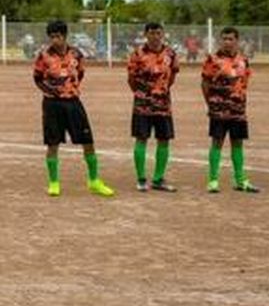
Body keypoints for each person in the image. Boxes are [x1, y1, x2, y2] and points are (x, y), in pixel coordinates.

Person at [34, 20, 113, 197]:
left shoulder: (76, 54)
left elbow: (81, 74)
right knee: (52, 143)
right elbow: (37, 78)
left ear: (65, 36)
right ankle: (54, 182)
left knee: (88, 142)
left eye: (58, 36)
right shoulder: (44, 55)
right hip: (52, 105)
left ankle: (94, 181)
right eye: (52, 37)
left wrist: (69, 90)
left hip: (73, 102)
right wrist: (53, 91)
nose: (55, 40)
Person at [202, 27, 258, 194]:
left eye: (231, 39)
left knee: (238, 143)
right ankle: (212, 181)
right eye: (224, 39)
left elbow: (244, 82)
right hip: (219, 110)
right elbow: (205, 84)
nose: (227, 42)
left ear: (237, 40)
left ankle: (240, 180)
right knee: (217, 142)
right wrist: (210, 104)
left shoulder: (243, 60)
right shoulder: (213, 60)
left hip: (238, 111)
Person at [127, 21, 180, 192]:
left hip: (163, 104)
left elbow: (172, 77)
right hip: (142, 104)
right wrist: (143, 93)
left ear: (162, 34)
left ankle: (158, 178)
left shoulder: (171, 54)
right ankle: (141, 178)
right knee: (141, 138)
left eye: (158, 33)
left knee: (164, 139)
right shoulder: (137, 54)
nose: (155, 36)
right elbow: (131, 79)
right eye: (151, 33)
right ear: (146, 34)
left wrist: (161, 91)